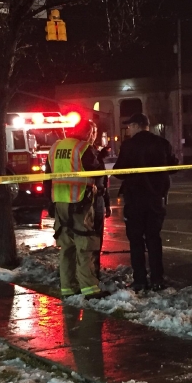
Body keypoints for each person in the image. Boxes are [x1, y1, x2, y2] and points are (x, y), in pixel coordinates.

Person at [113, 113, 179, 291]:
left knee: (136, 241)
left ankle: (140, 280)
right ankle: (157, 279)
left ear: (136, 125)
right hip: (156, 199)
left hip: (135, 199)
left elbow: (118, 172)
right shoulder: (162, 143)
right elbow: (173, 165)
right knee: (154, 239)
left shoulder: (128, 145)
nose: (128, 129)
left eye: (129, 126)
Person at [45, 120, 108, 300]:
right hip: (80, 200)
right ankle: (89, 288)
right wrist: (101, 155)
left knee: (66, 245)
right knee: (85, 244)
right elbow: (96, 172)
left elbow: (47, 176)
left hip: (60, 201)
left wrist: (49, 202)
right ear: (88, 133)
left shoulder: (55, 147)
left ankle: (68, 287)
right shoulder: (84, 148)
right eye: (93, 133)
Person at [89, 126, 111, 278]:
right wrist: (100, 158)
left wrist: (107, 203)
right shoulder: (85, 151)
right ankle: (91, 273)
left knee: (95, 239)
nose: (93, 135)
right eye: (92, 132)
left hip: (97, 199)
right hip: (88, 201)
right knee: (91, 239)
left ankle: (93, 271)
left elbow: (103, 180)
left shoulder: (93, 151)